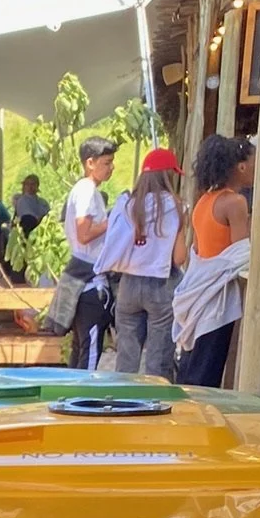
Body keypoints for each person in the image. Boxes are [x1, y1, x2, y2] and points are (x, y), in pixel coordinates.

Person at [175, 134, 254, 386]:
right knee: (208, 370)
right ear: (240, 167)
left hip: (199, 292)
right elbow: (241, 254)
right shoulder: (235, 203)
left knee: (194, 365)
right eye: (254, 162)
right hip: (218, 299)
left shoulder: (203, 202)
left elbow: (200, 250)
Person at [102, 148, 185, 378]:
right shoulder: (176, 206)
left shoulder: (128, 205)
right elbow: (179, 257)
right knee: (158, 363)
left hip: (128, 285)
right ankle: (155, 409)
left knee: (126, 361)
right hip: (161, 285)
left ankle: (122, 406)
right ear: (168, 175)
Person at [47, 135, 117, 369]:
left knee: (80, 347)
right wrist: (113, 221)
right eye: (106, 163)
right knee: (90, 349)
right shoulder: (87, 190)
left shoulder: (85, 190)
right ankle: (83, 395)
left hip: (83, 277)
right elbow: (84, 233)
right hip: (90, 283)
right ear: (90, 163)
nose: (111, 168)